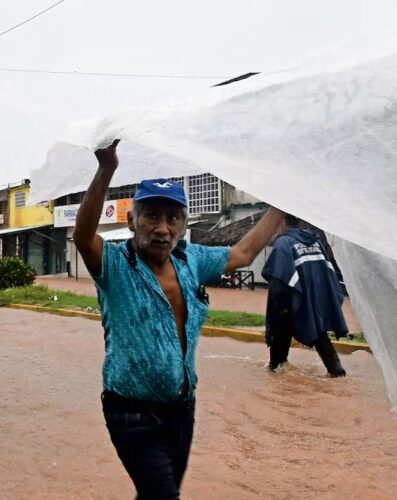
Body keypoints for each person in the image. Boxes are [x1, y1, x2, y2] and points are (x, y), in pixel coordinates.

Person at [73, 140, 284, 498]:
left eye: (173, 218)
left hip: (181, 410)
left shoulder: (192, 261)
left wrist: (283, 204)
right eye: (152, 216)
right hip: (131, 411)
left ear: (184, 225)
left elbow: (244, 253)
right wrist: (106, 170)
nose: (162, 228)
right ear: (132, 221)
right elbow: (82, 236)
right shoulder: (114, 265)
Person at [262, 214, 348, 377]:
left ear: (282, 222)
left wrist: (278, 307)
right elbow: (327, 269)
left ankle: (277, 370)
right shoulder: (315, 241)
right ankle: (337, 372)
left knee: (280, 334)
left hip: (290, 299)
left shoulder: (284, 242)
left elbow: (278, 276)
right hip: (315, 297)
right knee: (319, 333)